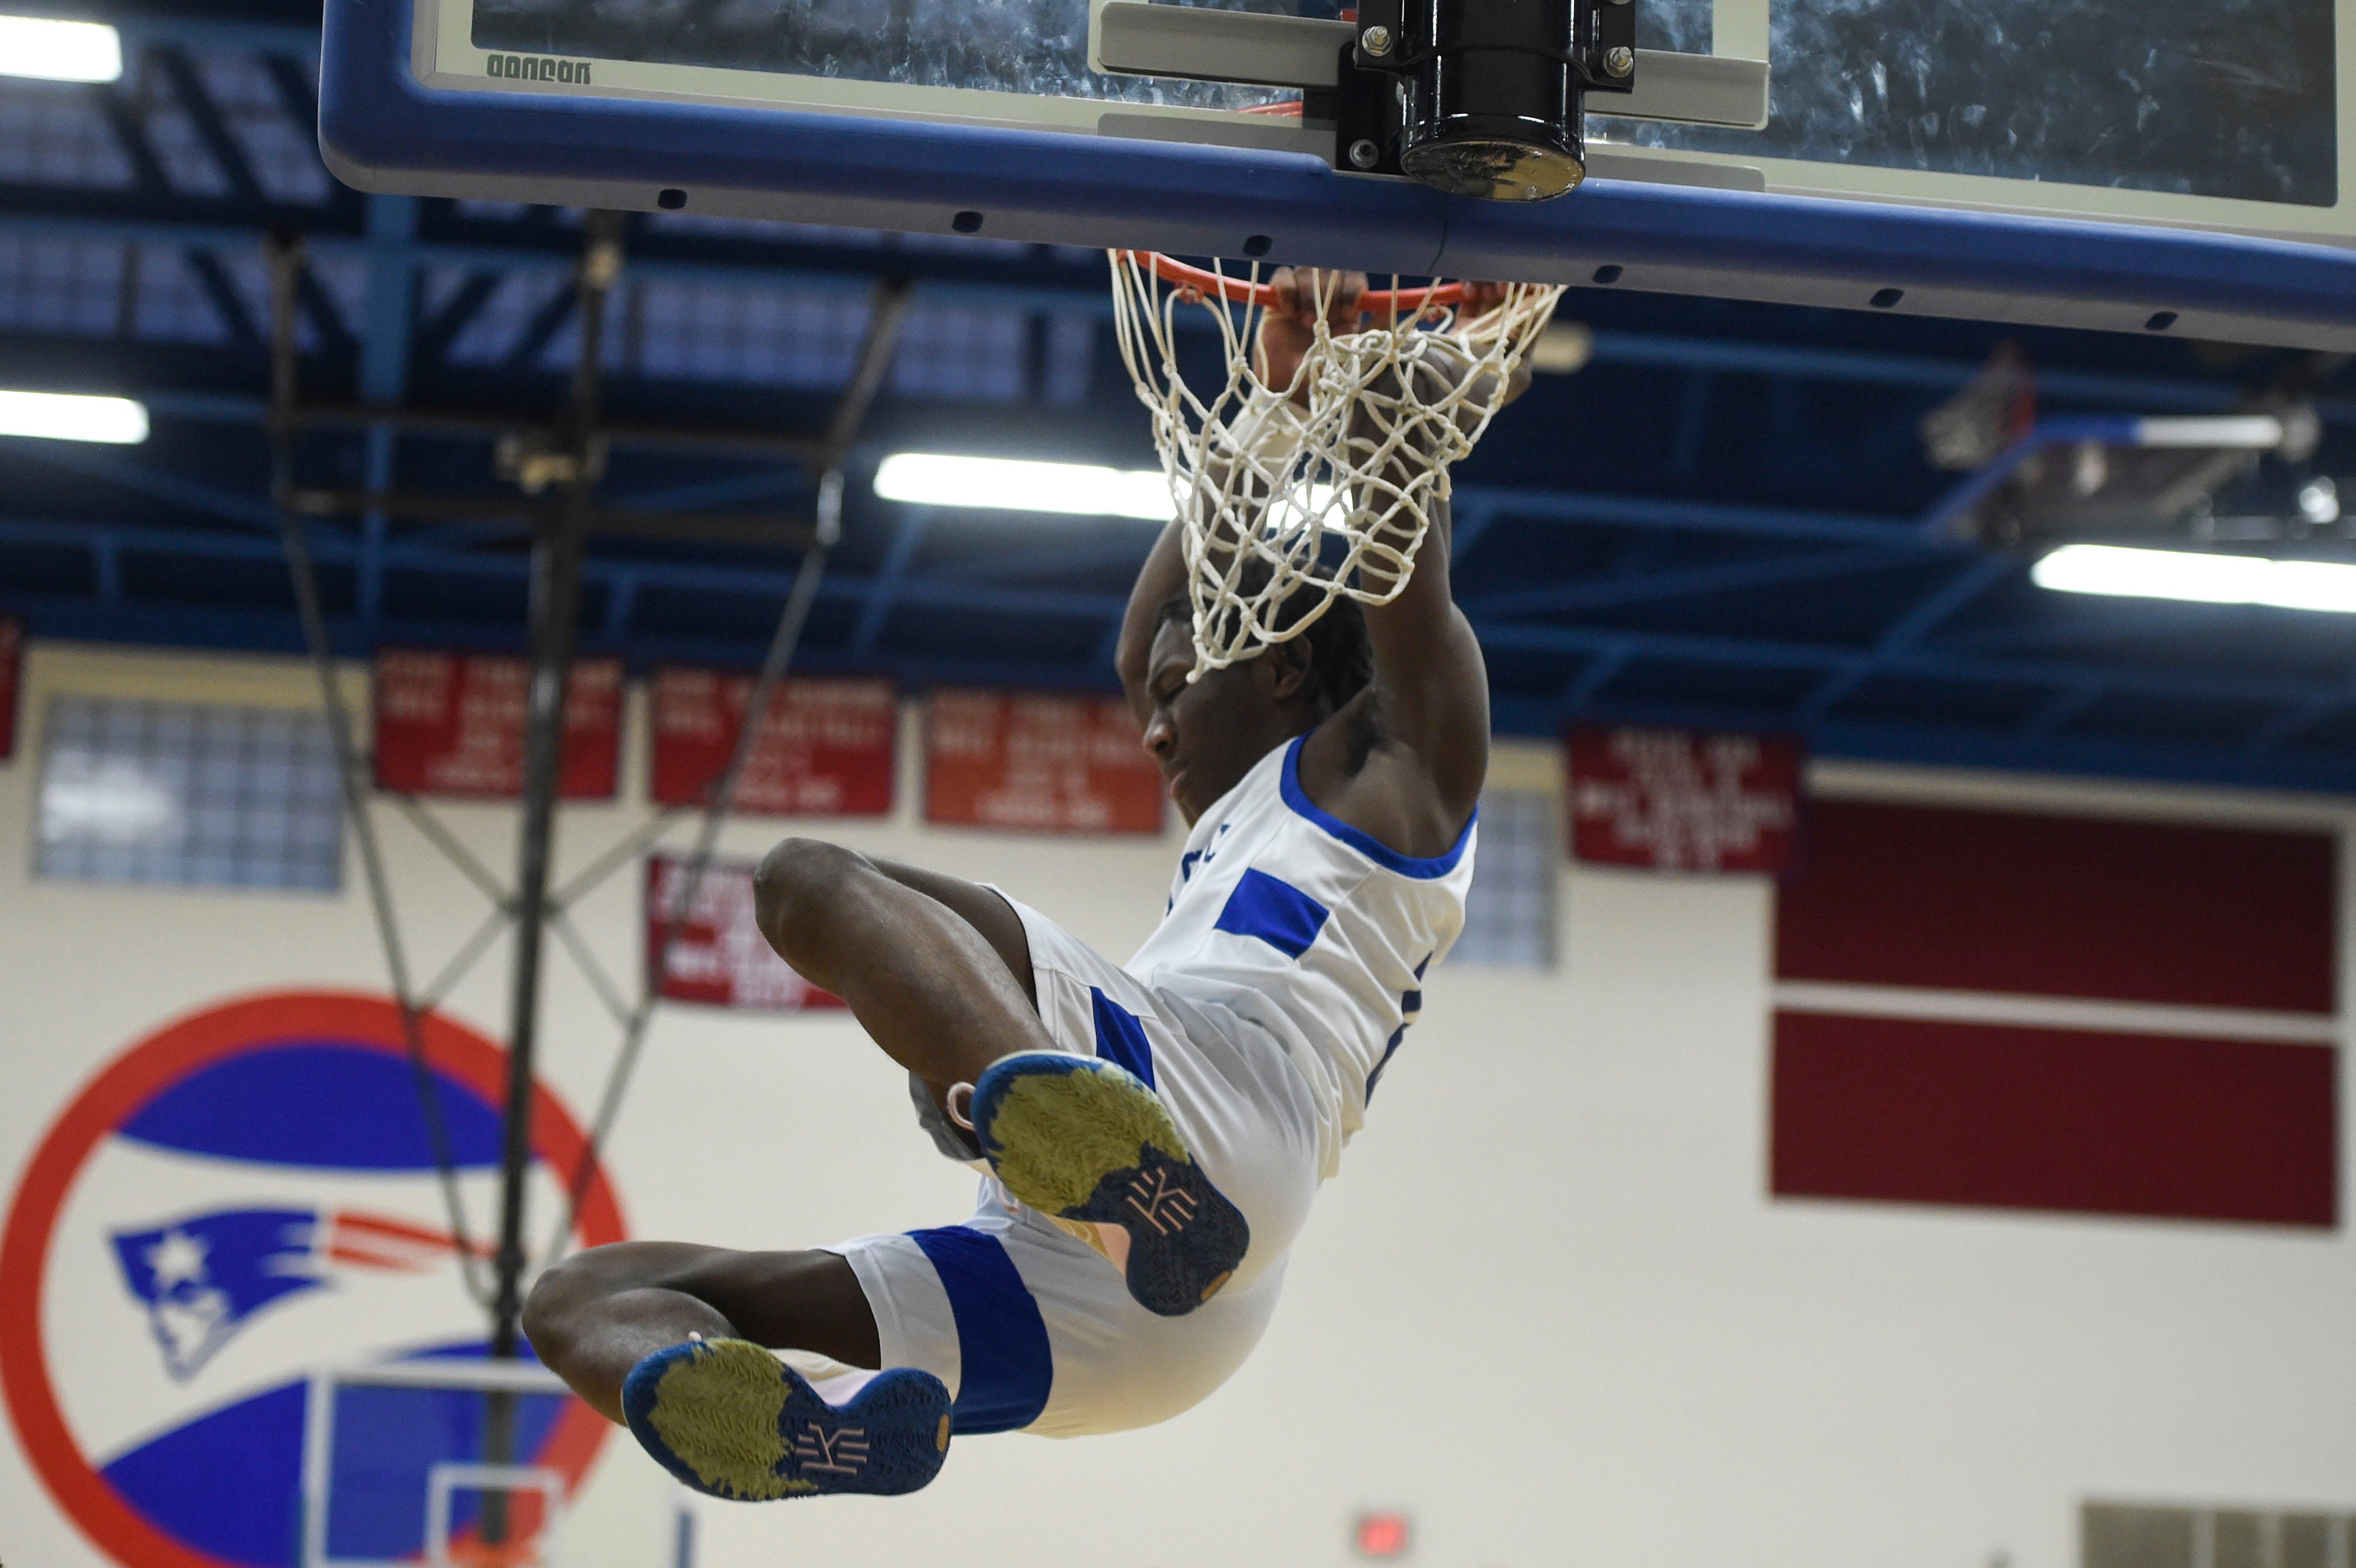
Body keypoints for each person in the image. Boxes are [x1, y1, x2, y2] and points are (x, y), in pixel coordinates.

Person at [522, 267, 1524, 1501]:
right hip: (1165, 1294)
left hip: (1223, 1123)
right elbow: (1144, 638)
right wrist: (1265, 404)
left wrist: (1390, 371)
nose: (1150, 731)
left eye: (1172, 697)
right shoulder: (1242, 821)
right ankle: (814, 1425)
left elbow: (1384, 527)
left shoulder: (1394, 773)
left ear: (1272, 669)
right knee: (577, 1297)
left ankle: (1062, 1124)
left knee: (805, 879)